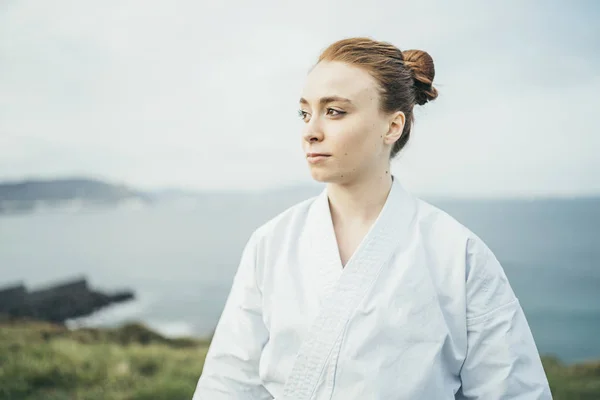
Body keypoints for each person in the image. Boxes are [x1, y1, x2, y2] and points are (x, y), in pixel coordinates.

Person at [192, 37, 552, 399]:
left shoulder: (458, 256)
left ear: (393, 126)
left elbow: (515, 391)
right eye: (305, 112)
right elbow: (228, 382)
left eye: (334, 111)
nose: (310, 131)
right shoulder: (272, 242)